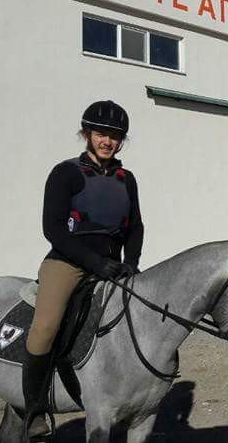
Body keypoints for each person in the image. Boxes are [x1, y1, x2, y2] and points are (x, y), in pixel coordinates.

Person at [23, 100, 144, 432]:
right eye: (102, 134)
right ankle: (33, 409)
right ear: (87, 134)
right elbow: (54, 229)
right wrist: (94, 263)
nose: (108, 141)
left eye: (116, 136)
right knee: (45, 328)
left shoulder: (126, 178)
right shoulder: (65, 173)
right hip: (68, 263)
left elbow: (135, 227)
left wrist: (130, 262)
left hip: (113, 265)